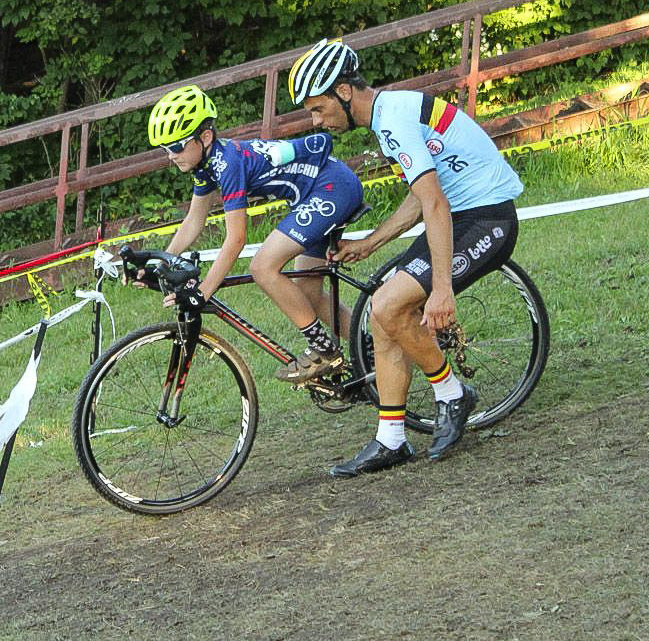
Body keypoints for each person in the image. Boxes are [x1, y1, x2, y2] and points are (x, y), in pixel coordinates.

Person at [287, 37, 524, 476]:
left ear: (344, 91)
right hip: (460, 215)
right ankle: (391, 440)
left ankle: (453, 392)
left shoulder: (393, 120)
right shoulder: (390, 116)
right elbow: (422, 198)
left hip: (487, 217)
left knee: (389, 304)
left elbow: (435, 205)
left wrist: (441, 290)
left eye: (319, 108)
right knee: (382, 313)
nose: (317, 121)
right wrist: (371, 242)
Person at [141, 84, 365, 383]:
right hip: (315, 191)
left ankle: (324, 351)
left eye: (176, 146)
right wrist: (163, 263)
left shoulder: (228, 164)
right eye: (164, 149)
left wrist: (203, 291)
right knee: (309, 297)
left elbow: (236, 240)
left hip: (331, 187)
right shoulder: (206, 165)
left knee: (263, 266)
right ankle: (372, 348)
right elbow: (194, 221)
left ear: (204, 137)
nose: (170, 156)